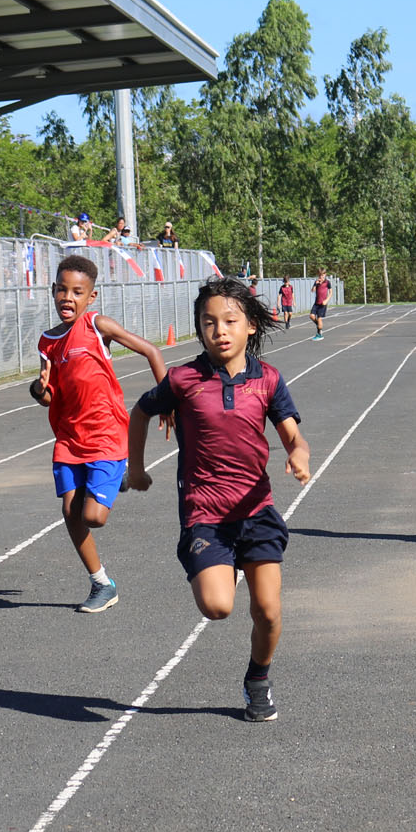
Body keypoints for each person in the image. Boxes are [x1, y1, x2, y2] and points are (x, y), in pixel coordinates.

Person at [126, 277, 311, 722]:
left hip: (256, 509)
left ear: (250, 327)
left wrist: (299, 456)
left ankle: (258, 679)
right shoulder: (183, 379)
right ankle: (212, 560)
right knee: (217, 606)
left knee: (267, 612)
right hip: (204, 512)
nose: (220, 330)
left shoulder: (267, 379)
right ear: (199, 329)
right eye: (209, 322)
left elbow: (292, 435)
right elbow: (140, 412)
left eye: (230, 321)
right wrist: (135, 467)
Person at [30, 255, 167, 613]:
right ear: (53, 291)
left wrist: (167, 399)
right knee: (69, 510)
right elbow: (48, 397)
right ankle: (101, 584)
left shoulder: (96, 325)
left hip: (106, 433)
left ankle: (119, 473)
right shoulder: (47, 342)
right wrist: (38, 389)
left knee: (94, 517)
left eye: (77, 291)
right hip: (68, 438)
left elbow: (151, 350)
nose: (67, 297)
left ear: (91, 297)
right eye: (62, 289)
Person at [309, 268, 331, 340]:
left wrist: (326, 300)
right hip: (316, 303)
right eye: (320, 275)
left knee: (319, 318)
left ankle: (319, 334)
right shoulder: (317, 282)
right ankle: (319, 326)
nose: (321, 277)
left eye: (323, 275)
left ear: (325, 275)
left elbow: (331, 293)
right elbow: (312, 291)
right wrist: (315, 284)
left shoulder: (327, 282)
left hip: (322, 304)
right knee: (311, 316)